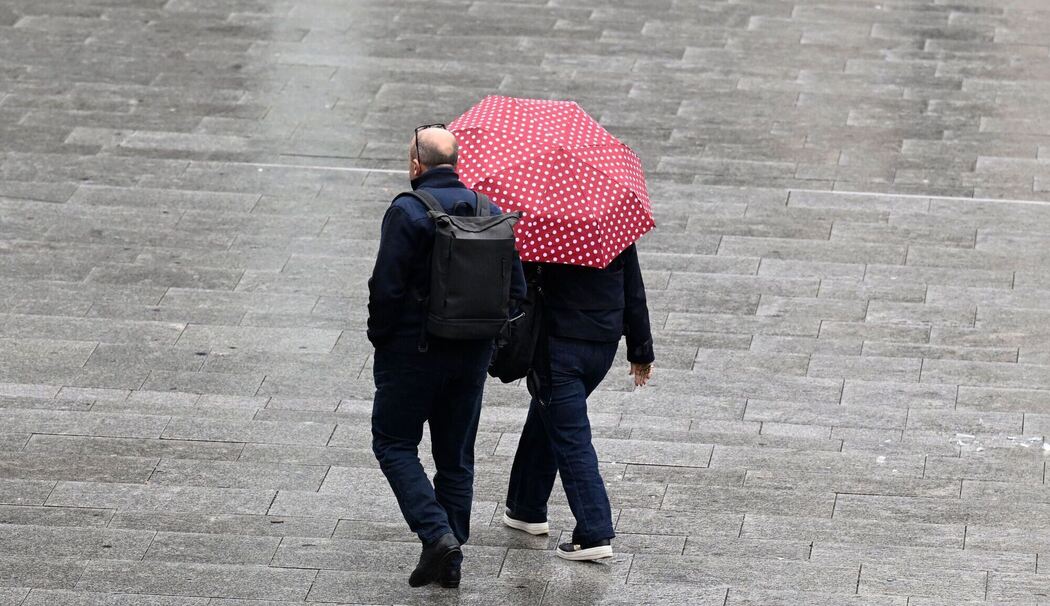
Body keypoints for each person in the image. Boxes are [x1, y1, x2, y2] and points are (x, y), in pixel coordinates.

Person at [367, 125, 526, 587]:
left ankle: (438, 535)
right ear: (454, 162)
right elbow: (515, 292)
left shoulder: (407, 211)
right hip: (472, 357)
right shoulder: (490, 211)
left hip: (412, 355)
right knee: (455, 457)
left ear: (417, 165)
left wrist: (382, 338)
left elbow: (386, 288)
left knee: (393, 444)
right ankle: (449, 558)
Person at [502, 247, 655, 561]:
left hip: (560, 347)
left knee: (571, 438)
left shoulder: (542, 226)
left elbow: (520, 284)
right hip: (602, 347)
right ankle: (526, 508)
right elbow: (633, 288)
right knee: (549, 411)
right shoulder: (607, 216)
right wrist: (641, 350)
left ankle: (593, 531)